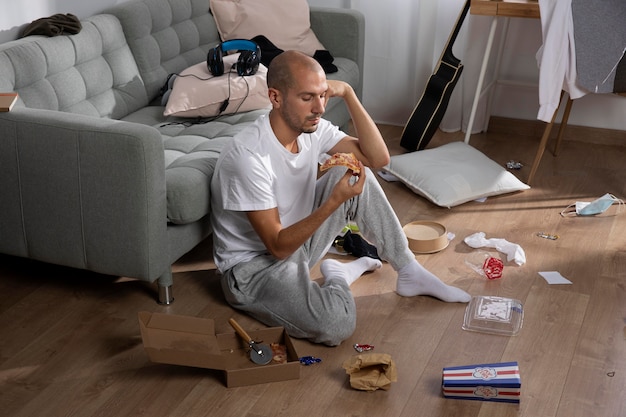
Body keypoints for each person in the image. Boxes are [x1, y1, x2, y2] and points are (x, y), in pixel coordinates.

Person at [210, 50, 471, 346]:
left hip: (296, 243)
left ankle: (409, 269)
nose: (319, 108)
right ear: (276, 97)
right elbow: (278, 247)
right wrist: (334, 202)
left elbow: (378, 158)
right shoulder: (248, 157)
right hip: (254, 269)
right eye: (307, 97)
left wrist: (347, 93)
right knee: (336, 325)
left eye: (323, 96)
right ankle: (338, 275)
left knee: (354, 169)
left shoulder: (311, 128)